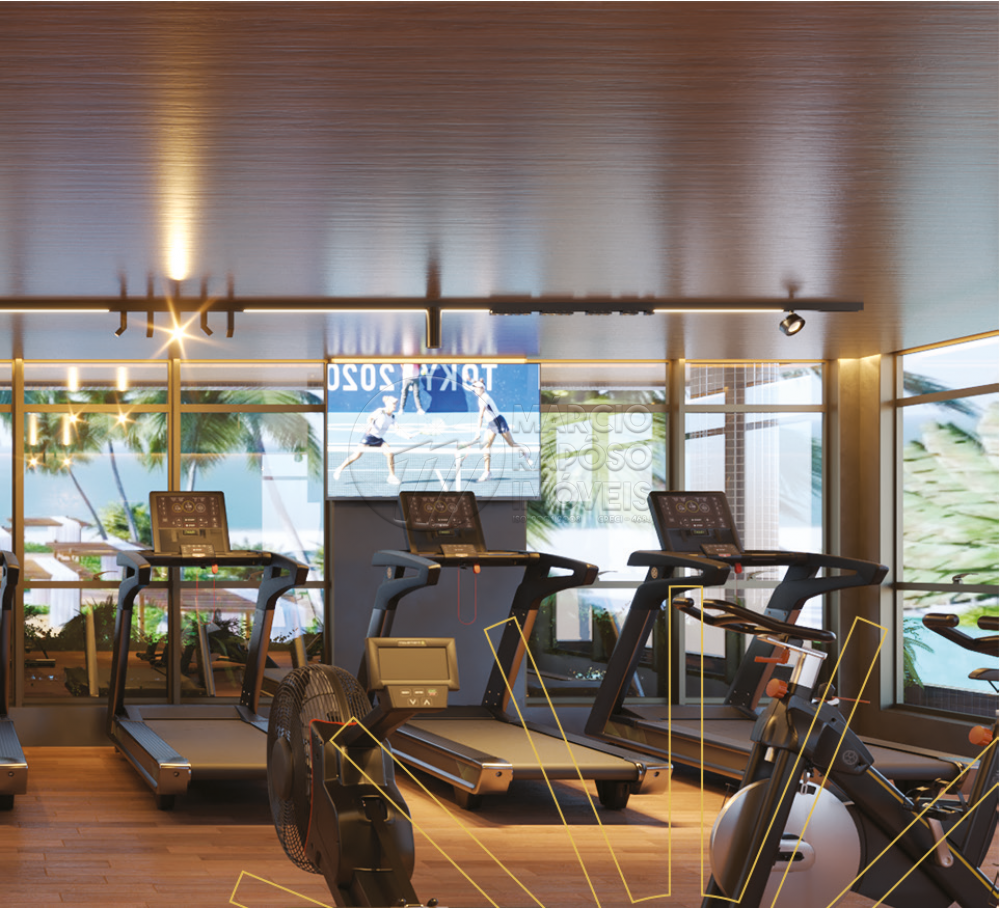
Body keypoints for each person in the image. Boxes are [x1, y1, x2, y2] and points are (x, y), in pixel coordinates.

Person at [333, 395, 407, 486]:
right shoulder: (381, 412)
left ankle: (391, 476)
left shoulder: (392, 417)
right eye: (393, 404)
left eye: (395, 404)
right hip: (370, 436)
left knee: (390, 453)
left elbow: (397, 429)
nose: (395, 405)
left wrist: (407, 436)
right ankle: (339, 469)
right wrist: (371, 424)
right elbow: (370, 418)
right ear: (388, 404)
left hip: (379, 439)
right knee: (356, 455)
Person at [468, 379, 533, 482]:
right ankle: (487, 473)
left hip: (499, 422)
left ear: (482, 389)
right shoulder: (481, 395)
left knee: (511, 443)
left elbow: (480, 416)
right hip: (491, 424)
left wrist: (477, 432)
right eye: (474, 388)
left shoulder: (484, 399)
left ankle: (525, 453)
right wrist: (470, 379)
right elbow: (477, 382)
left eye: (476, 388)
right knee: (486, 447)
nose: (475, 390)